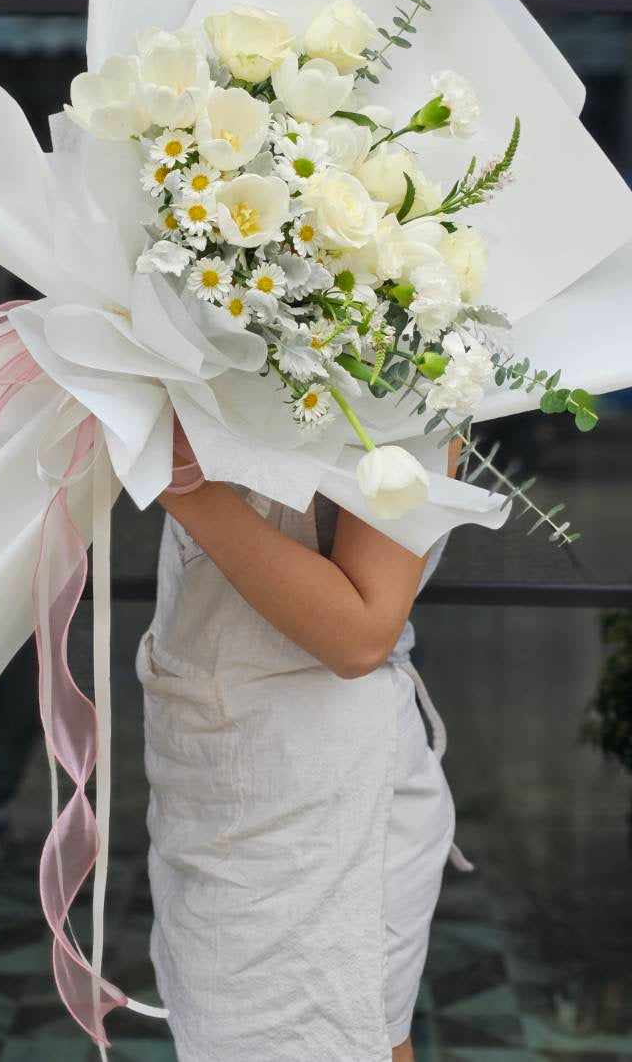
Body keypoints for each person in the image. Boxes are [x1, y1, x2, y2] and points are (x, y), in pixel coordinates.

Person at [137, 433, 460, 1062]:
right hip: (211, 769)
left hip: (332, 800)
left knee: (333, 1038)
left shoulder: (415, 358)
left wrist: (178, 474)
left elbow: (361, 634)